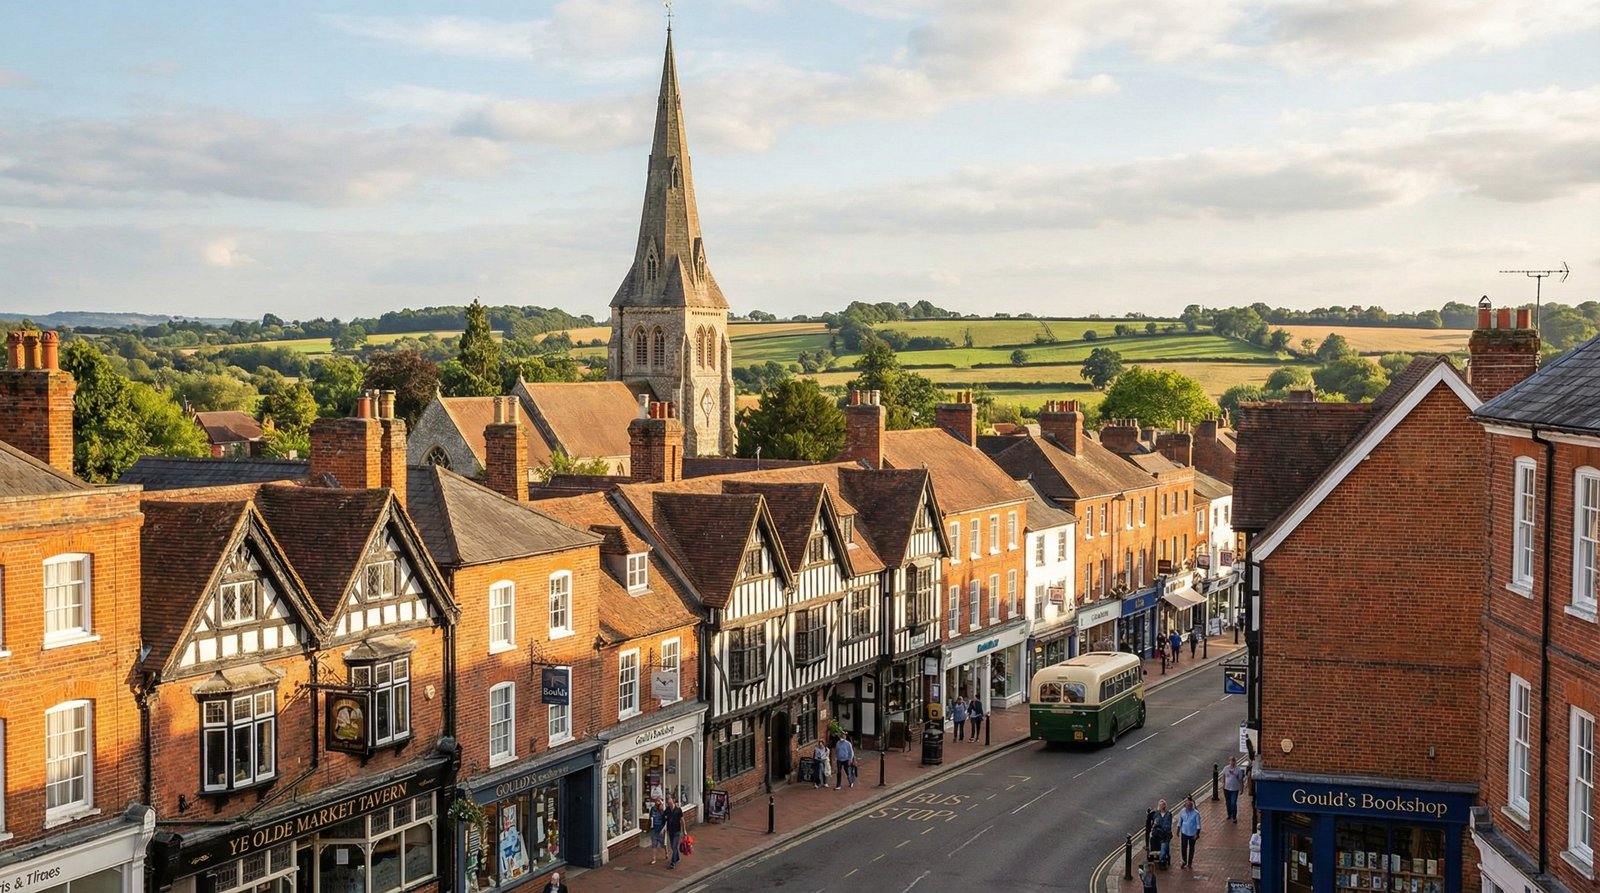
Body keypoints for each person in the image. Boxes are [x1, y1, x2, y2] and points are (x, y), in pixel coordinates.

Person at [1176, 796, 1202, 869]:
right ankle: (1184, 861)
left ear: (1192, 806)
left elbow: (1198, 825)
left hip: (1192, 834)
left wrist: (1197, 834)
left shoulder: (1196, 813)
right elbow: (1179, 822)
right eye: (1186, 806)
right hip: (1184, 832)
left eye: (1189, 806)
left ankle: (1190, 863)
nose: (1188, 807)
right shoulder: (1182, 811)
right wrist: (1178, 831)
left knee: (1191, 848)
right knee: (1183, 847)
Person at [1149, 798, 1173, 868]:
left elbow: (1168, 826)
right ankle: (1162, 859)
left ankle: (1163, 861)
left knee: (1163, 853)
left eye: (1163, 804)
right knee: (1155, 846)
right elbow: (1152, 823)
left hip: (1165, 836)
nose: (1162, 806)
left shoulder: (1168, 814)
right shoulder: (1156, 814)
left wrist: (1160, 828)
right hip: (1156, 835)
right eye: (1161, 805)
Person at [664, 796, 685, 869]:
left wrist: (684, 830)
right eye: (668, 803)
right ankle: (677, 858)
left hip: (677, 831)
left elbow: (682, 820)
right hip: (670, 830)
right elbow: (664, 818)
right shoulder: (667, 810)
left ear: (673, 801)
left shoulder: (678, 810)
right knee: (673, 847)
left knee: (674, 846)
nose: (669, 804)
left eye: (670, 802)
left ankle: (673, 862)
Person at [1222, 756, 1245, 823]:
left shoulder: (1238, 770)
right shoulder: (1226, 768)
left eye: (1233, 761)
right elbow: (1223, 776)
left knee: (1233, 803)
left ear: (1235, 762)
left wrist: (1242, 788)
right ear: (1229, 761)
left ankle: (1234, 817)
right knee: (1228, 803)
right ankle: (1229, 814)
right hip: (1226, 788)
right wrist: (1223, 784)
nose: (1232, 762)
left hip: (1234, 789)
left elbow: (1240, 780)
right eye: (1231, 761)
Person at [648, 798, 667, 863]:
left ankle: (666, 852)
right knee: (654, 844)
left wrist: (663, 829)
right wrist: (648, 827)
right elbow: (650, 818)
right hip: (654, 828)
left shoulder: (662, 811)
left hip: (660, 828)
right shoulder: (652, 809)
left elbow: (665, 820)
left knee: (662, 843)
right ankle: (654, 858)